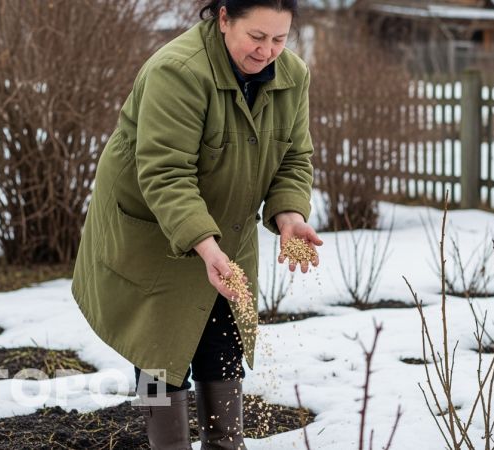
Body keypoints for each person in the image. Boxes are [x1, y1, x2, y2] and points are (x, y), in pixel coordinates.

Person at [71, 0, 322, 448]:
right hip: (154, 234)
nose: (267, 52)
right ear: (224, 18)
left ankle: (226, 443)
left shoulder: (293, 76)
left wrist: (289, 215)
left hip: (231, 236)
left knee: (221, 348)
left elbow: (293, 158)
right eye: (256, 37)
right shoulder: (178, 71)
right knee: (159, 353)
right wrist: (206, 247)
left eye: (279, 39)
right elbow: (166, 173)